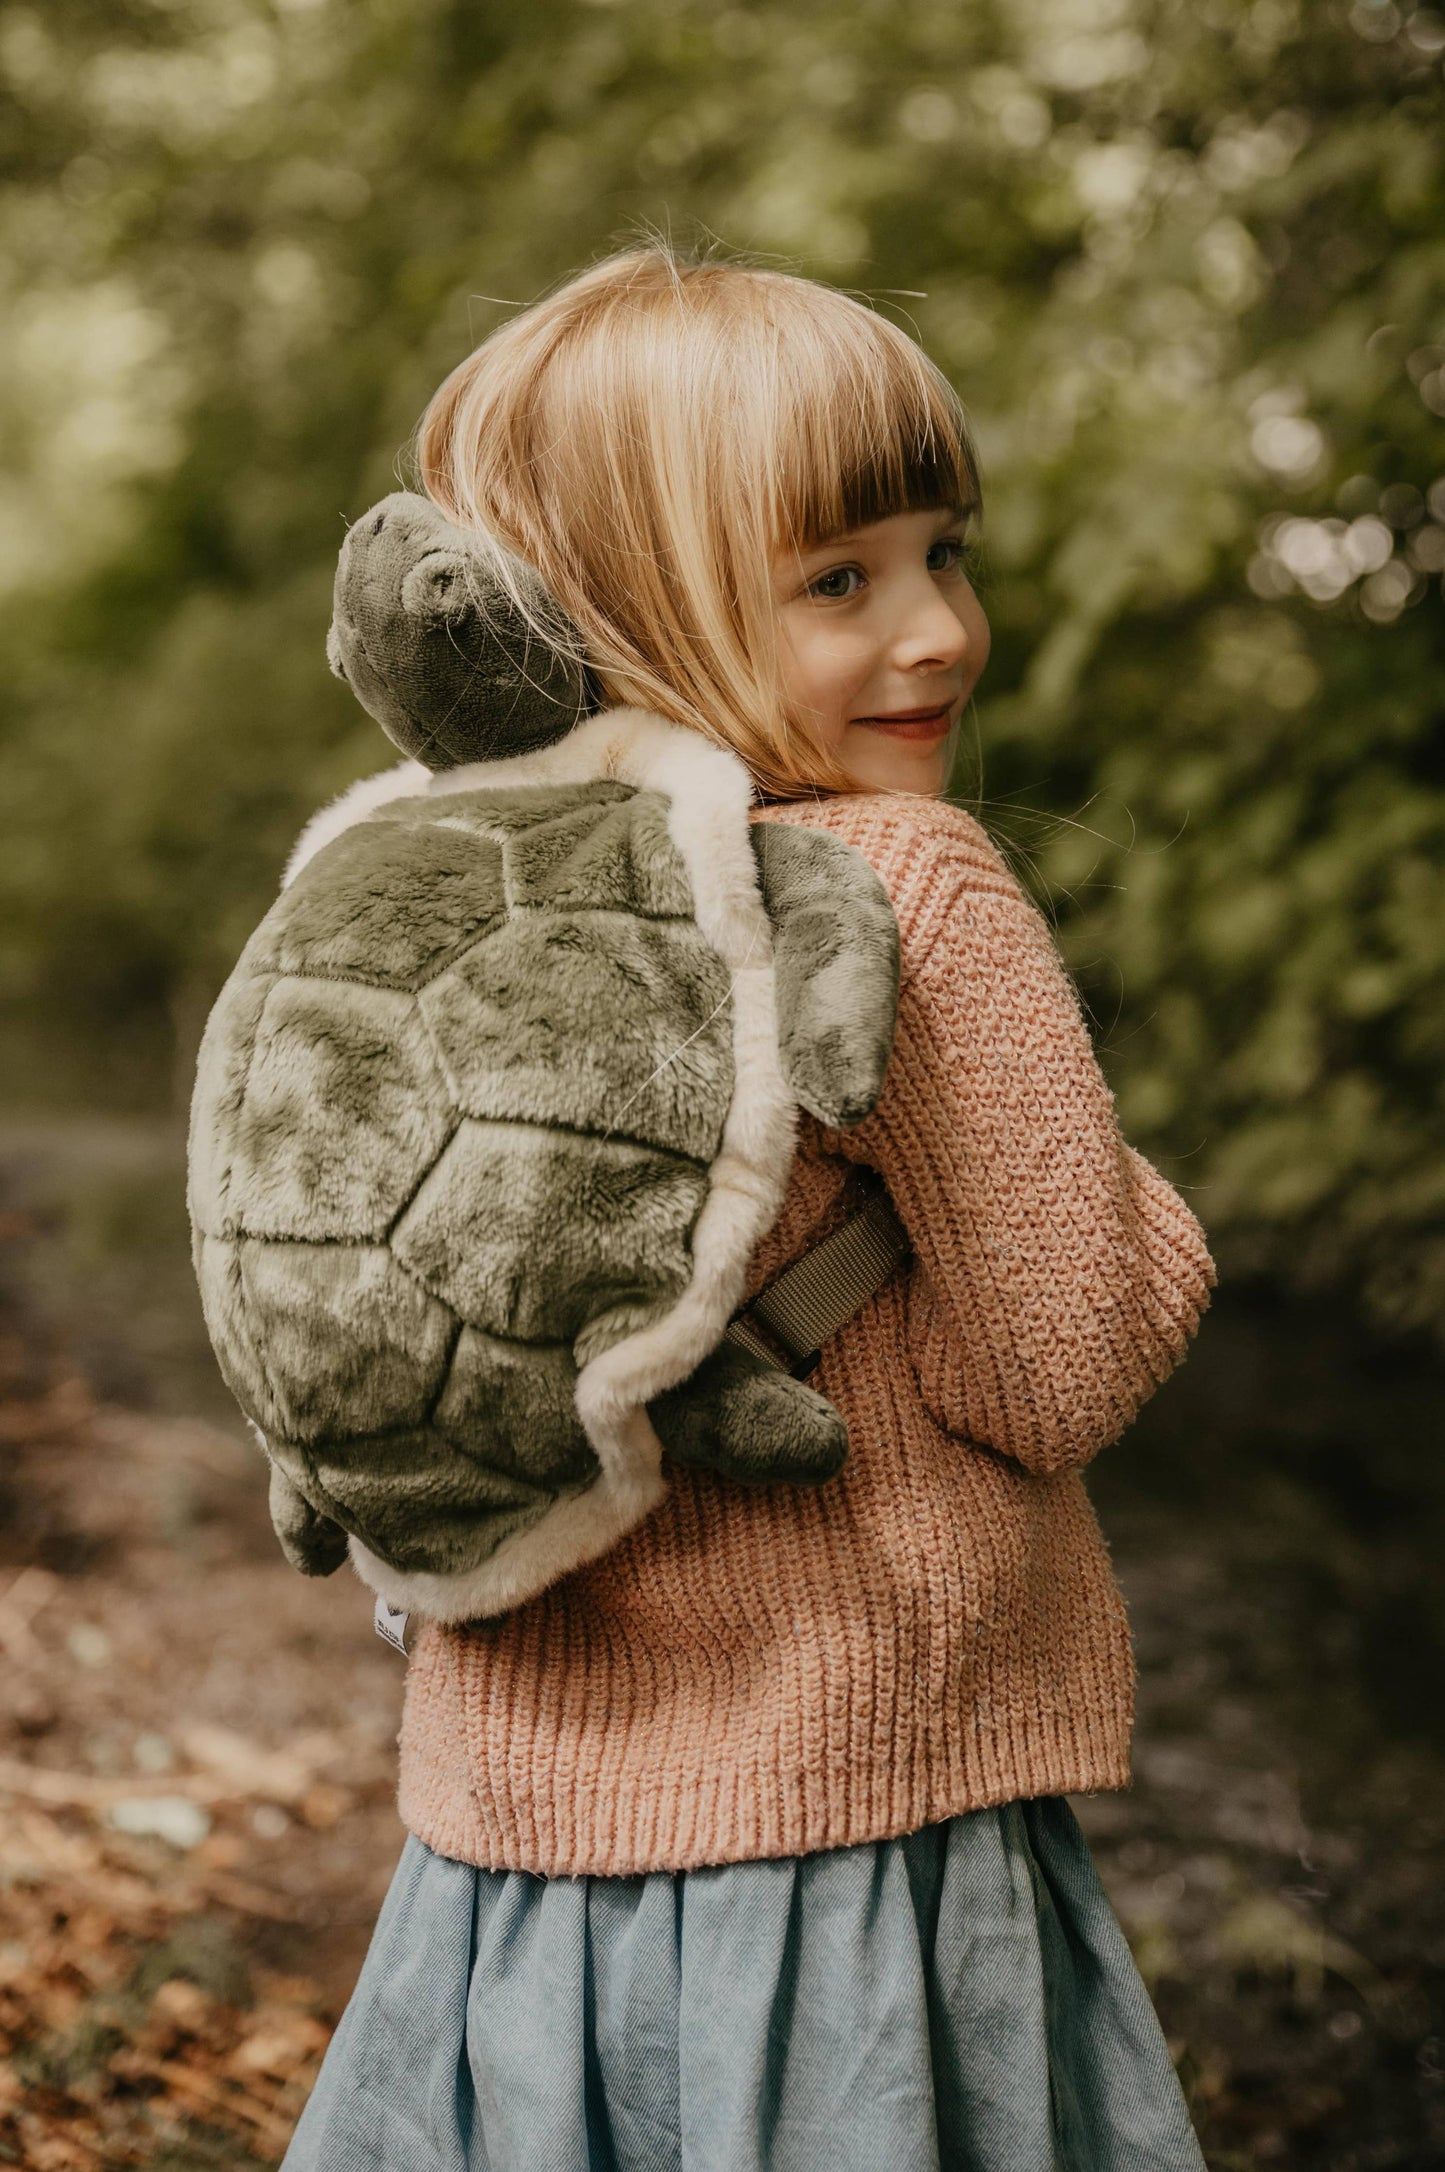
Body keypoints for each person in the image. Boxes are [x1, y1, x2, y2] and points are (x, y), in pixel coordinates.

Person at [281, 246, 1215, 2172]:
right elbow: (1056, 1364)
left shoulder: (443, 898)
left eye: (940, 551)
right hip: (859, 1822)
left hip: (515, 1861)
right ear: (636, 610)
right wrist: (1148, 1210)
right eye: (837, 581)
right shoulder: (908, 884)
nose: (939, 630)